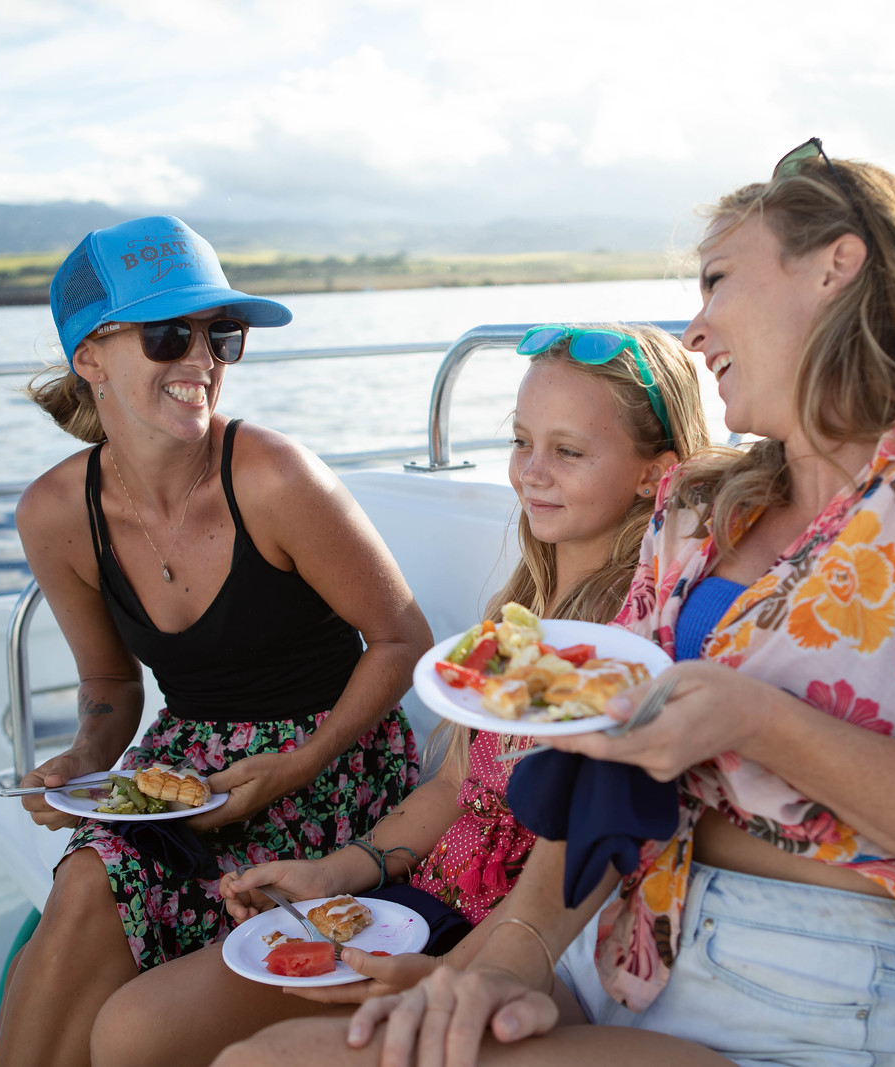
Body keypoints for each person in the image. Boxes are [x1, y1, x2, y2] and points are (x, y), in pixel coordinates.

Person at [222, 140, 895, 1067]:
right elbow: (607, 774)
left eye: (717, 279)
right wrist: (501, 963)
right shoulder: (700, 506)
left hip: (797, 994)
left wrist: (758, 721)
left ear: (834, 268)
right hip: (608, 956)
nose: (696, 330)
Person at [87, 322, 710, 1066]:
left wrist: (454, 975)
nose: (530, 471)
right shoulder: (522, 608)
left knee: (145, 1037)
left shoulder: (631, 639)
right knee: (131, 1026)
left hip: (493, 947)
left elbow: (574, 873)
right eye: (520, 441)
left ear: (654, 473)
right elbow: (454, 784)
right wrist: (338, 870)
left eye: (568, 451)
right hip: (417, 901)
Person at [0, 216, 431, 1067]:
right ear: (91, 355)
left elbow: (400, 640)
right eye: (168, 334)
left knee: (98, 922)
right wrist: (83, 759)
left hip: (334, 755)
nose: (201, 360)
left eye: (220, 335)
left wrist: (297, 762)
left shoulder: (272, 477)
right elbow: (111, 688)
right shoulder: (55, 513)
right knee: (86, 882)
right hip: (185, 771)